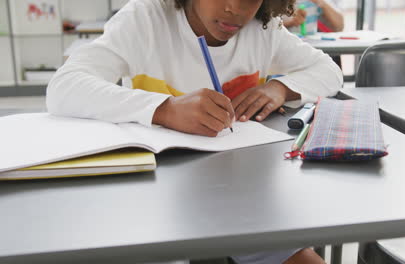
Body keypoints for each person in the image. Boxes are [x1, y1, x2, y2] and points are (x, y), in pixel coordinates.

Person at [47, 0, 342, 263]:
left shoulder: (264, 29)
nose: (235, 9)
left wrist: (280, 87)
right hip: (155, 200)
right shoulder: (146, 18)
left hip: (244, 202)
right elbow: (64, 86)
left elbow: (329, 72)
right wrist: (164, 108)